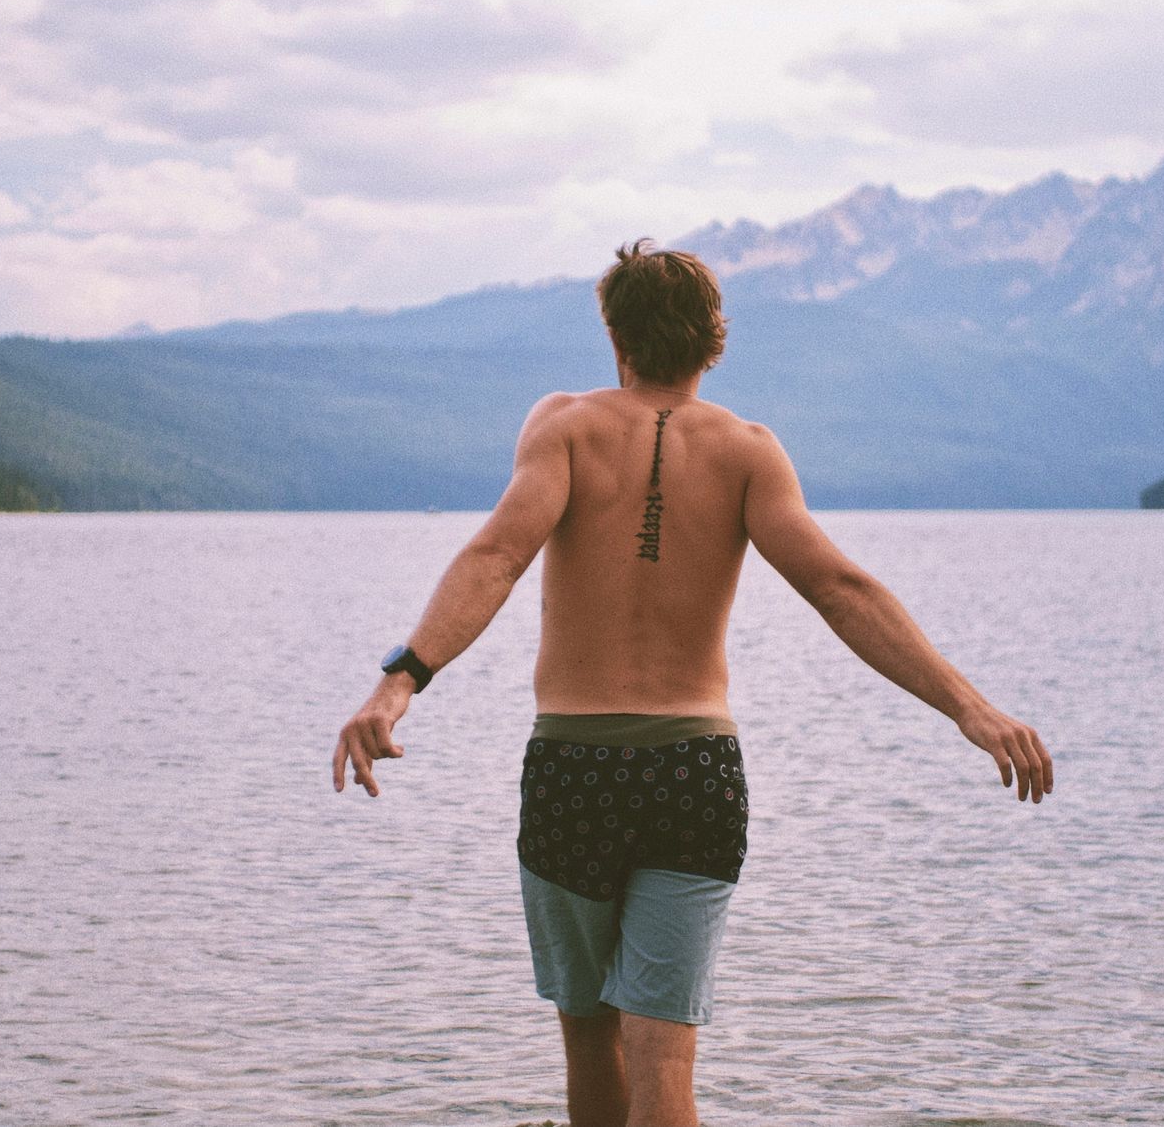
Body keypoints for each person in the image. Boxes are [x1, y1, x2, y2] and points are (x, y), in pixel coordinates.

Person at [331, 239, 1053, 1127]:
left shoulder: (562, 427)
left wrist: (399, 683)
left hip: (574, 769)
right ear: (714, 342)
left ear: (614, 333)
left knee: (591, 1037)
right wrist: (972, 711)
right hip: (694, 771)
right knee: (665, 1055)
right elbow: (840, 588)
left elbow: (497, 556)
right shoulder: (749, 451)